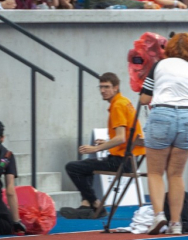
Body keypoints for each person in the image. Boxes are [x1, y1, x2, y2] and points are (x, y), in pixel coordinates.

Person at [139, 33, 188, 234]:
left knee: (155, 172)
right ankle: (176, 223)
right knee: (176, 174)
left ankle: (159, 216)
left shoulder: (159, 66)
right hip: (187, 118)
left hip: (162, 114)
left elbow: (144, 98)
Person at [60, 72, 144, 220]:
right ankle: (87, 205)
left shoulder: (118, 105)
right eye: (101, 87)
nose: (102, 90)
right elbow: (126, 138)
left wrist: (96, 148)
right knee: (86, 165)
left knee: (72, 167)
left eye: (106, 87)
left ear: (116, 87)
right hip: (132, 160)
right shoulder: (124, 102)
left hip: (122, 162)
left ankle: (95, 204)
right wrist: (105, 144)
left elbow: (120, 138)